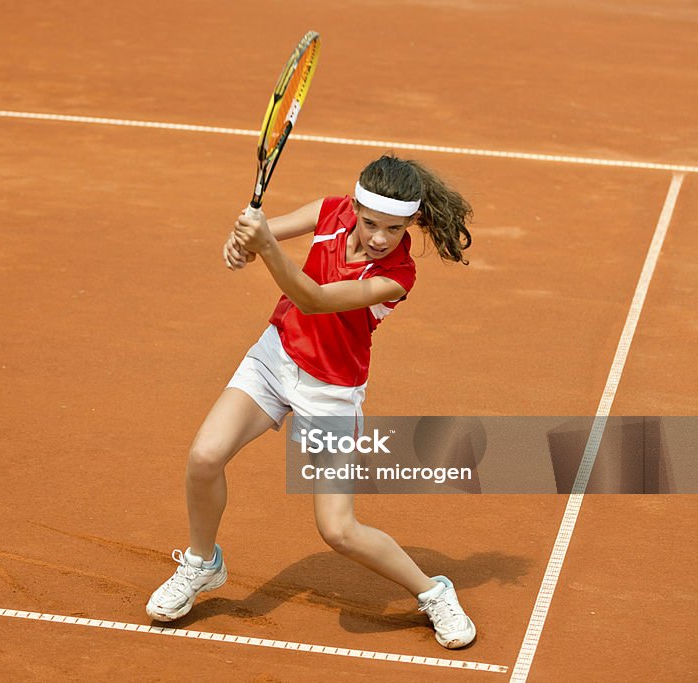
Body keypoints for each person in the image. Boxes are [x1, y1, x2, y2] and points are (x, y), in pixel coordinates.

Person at [145, 154, 478, 649]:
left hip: (331, 391)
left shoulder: (398, 276)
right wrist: (242, 240)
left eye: (394, 227)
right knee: (205, 457)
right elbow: (268, 232)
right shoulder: (330, 211)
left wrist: (263, 248)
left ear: (414, 221)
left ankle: (433, 592)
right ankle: (202, 564)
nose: (380, 237)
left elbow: (314, 299)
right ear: (356, 207)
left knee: (338, 530)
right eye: (370, 223)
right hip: (275, 358)